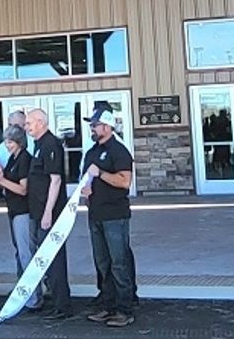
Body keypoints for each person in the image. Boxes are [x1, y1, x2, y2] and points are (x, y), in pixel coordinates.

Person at [81, 108, 136, 327]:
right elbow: (87, 179)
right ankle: (107, 304)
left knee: (118, 262)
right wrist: (86, 190)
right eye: (91, 125)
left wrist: (101, 174)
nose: (92, 129)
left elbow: (124, 182)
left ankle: (125, 308)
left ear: (107, 126)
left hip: (115, 215)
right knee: (102, 262)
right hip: (96, 214)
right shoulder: (92, 152)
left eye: (95, 125)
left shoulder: (119, 151)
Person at [25, 108, 72, 320]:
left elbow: (56, 180)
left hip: (49, 213)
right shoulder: (38, 145)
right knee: (45, 258)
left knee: (53, 258)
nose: (27, 127)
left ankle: (62, 305)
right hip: (37, 210)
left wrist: (47, 213)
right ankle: (55, 299)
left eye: (30, 123)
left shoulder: (50, 144)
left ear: (41, 122)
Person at [0, 125, 41, 312]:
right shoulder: (13, 159)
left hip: (24, 211)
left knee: (27, 253)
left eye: (9, 142)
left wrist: (0, 181)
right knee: (21, 252)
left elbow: (23, 188)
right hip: (14, 210)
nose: (7, 145)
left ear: (18, 141)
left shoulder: (25, 160)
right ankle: (25, 290)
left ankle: (33, 297)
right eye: (5, 142)